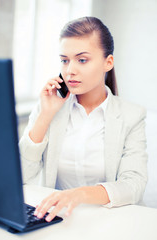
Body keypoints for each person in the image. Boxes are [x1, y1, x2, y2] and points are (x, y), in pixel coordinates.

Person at [19, 16, 148, 222]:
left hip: (111, 221)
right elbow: (20, 177)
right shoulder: (48, 107)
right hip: (60, 220)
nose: (70, 70)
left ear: (108, 62)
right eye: (64, 60)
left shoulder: (132, 115)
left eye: (82, 60)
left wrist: (79, 194)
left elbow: (133, 186)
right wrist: (44, 116)